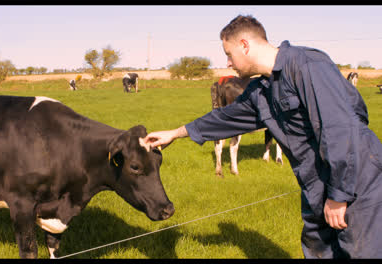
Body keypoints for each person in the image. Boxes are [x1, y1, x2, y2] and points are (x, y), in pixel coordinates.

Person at [144, 15, 382, 259]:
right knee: (319, 251)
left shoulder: (306, 65)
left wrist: (339, 195)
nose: (228, 63)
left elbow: (341, 128)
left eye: (229, 54)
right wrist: (175, 133)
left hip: (356, 181)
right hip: (315, 184)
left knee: (361, 252)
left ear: (244, 45)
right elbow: (224, 118)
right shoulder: (261, 92)